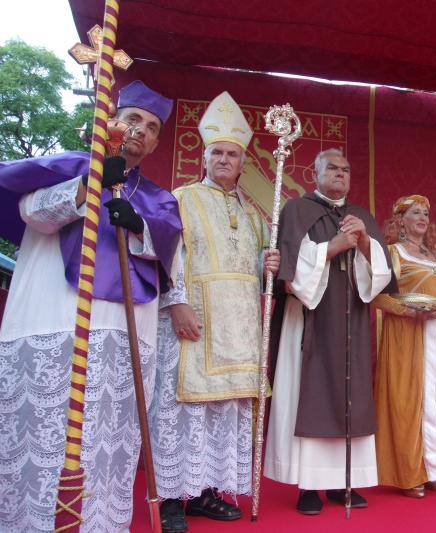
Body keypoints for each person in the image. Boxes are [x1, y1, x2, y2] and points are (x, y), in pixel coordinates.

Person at [0, 81, 182, 532]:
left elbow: (169, 255)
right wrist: (89, 187)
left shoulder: (160, 199)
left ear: (158, 142)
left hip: (124, 330)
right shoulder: (69, 167)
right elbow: (31, 212)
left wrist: (139, 225)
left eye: (152, 127)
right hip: (55, 317)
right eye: (133, 119)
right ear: (110, 120)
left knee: (107, 440)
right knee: (45, 434)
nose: (140, 131)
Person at [148, 92, 281, 532]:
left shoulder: (257, 214)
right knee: (180, 408)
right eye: (217, 152)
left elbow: (257, 266)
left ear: (244, 163)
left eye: (232, 154)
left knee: (223, 410)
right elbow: (168, 255)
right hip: (195, 319)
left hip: (239, 327)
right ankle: (170, 499)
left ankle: (205, 492)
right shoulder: (180, 198)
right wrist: (177, 302)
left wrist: (268, 265)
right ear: (204, 158)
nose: (224, 159)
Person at [264, 148, 395, 515]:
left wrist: (366, 242)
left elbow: (381, 278)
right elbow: (291, 276)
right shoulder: (296, 210)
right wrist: (332, 248)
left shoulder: (362, 216)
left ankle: (343, 481)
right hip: (310, 320)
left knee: (349, 396)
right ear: (315, 173)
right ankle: (308, 486)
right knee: (308, 393)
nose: (340, 174)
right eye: (332, 168)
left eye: (346, 170)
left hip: (350, 318)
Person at [372, 195, 436, 498]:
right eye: (415, 213)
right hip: (408, 333)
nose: (423, 218)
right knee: (411, 400)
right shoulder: (392, 253)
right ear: (401, 220)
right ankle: (410, 472)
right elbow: (376, 296)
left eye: (426, 213)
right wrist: (409, 312)